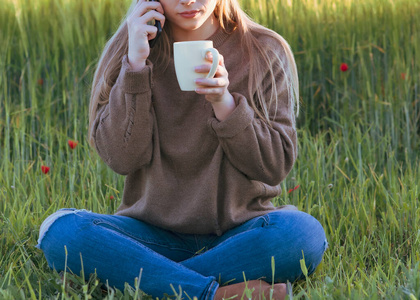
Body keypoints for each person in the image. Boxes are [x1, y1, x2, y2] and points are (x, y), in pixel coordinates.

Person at [37, 0, 328, 298]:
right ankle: (214, 294)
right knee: (61, 230)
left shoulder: (263, 49)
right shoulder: (129, 51)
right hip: (150, 235)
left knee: (301, 234)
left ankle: (138, 277)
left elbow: (274, 166)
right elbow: (122, 157)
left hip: (240, 231)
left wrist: (224, 104)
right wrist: (136, 66)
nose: (188, 0)